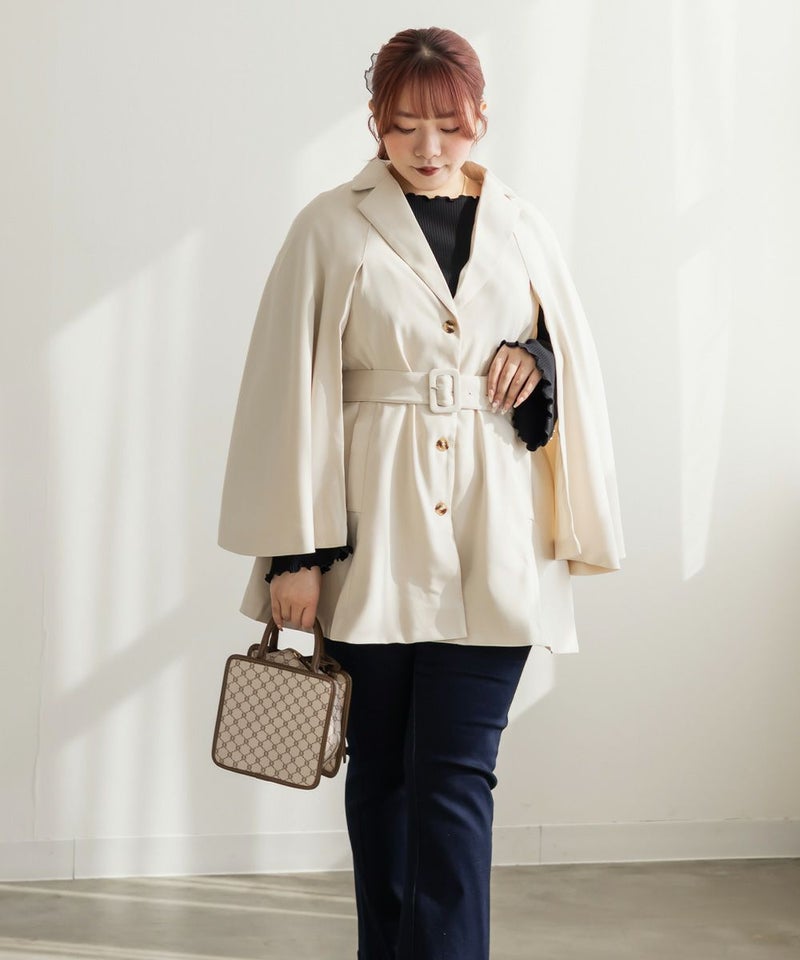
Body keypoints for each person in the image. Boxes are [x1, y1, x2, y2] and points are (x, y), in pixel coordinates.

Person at [218, 26, 624, 960]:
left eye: (448, 123)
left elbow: (568, 362)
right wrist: (296, 555)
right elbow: (289, 392)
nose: (428, 146)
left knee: (457, 776)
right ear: (377, 123)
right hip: (372, 541)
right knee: (383, 780)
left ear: (481, 116)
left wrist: (536, 360)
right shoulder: (330, 225)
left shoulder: (523, 226)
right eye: (405, 126)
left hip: (495, 534)